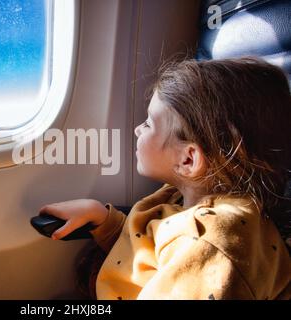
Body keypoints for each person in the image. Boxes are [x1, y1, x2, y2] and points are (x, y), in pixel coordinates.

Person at [39, 57, 291, 300]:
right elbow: (154, 252)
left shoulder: (208, 247)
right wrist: (106, 222)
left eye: (148, 124)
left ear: (188, 160)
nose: (138, 129)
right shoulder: (182, 196)